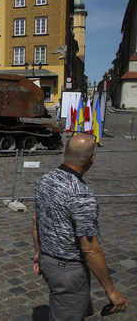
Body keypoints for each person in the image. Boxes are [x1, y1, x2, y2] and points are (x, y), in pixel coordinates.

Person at [32, 134, 128, 320]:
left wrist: (38, 253)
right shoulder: (81, 194)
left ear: (64, 151)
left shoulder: (45, 179)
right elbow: (90, 248)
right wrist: (111, 291)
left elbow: (36, 220)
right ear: (92, 159)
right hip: (67, 268)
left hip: (48, 260)